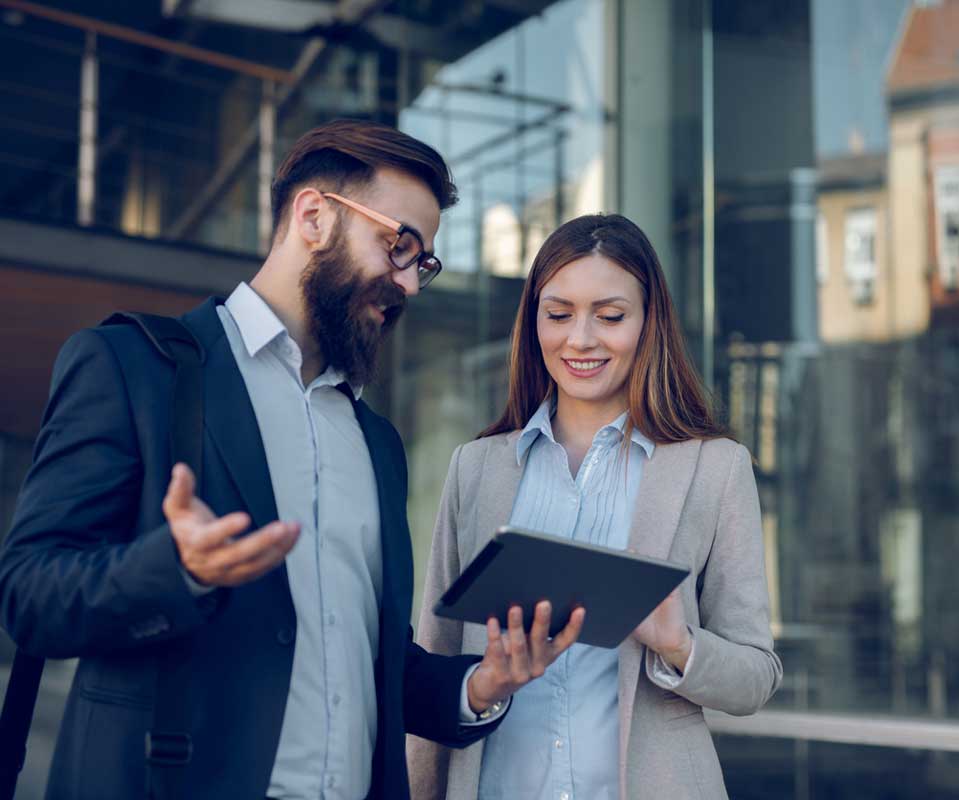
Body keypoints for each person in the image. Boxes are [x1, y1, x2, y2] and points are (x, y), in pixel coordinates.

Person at [0, 119, 582, 800]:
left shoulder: (375, 442)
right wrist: (175, 570)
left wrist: (480, 686)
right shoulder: (131, 368)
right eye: (399, 246)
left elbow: (372, 660)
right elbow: (29, 595)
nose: (410, 285)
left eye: (422, 263)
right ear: (313, 216)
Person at [408, 213, 782, 800]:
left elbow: (755, 678)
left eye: (609, 316)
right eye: (558, 315)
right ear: (533, 321)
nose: (580, 339)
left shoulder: (713, 467)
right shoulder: (476, 469)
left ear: (648, 322)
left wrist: (677, 643)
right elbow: (435, 657)